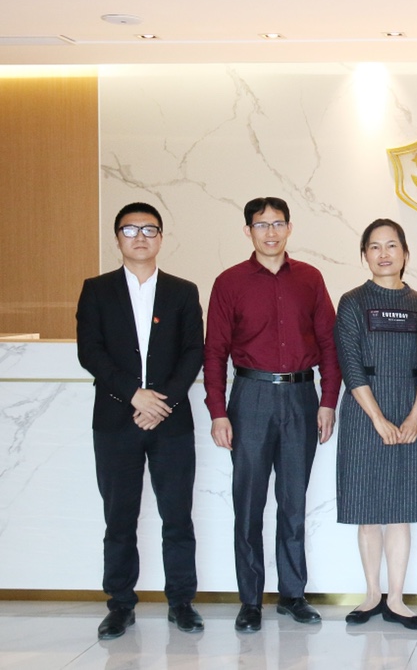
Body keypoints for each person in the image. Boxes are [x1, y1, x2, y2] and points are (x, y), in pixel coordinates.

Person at [203, 197, 341, 633]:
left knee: (293, 502)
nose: (271, 232)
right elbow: (214, 352)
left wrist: (328, 401)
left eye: (278, 223)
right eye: (261, 225)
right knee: (249, 503)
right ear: (248, 231)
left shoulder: (310, 279)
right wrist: (218, 411)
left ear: (289, 228)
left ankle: (293, 595)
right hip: (251, 398)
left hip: (301, 397)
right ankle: (250, 600)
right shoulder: (229, 282)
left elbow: (329, 344)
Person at [76, 202, 205, 640]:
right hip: (116, 420)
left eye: (149, 230)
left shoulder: (182, 291)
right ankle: (120, 604)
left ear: (161, 238)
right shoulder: (96, 290)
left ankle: (181, 602)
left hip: (170, 422)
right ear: (117, 238)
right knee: (119, 518)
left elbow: (193, 351)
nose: (140, 237)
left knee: (178, 517)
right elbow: (90, 351)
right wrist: (134, 394)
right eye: (130, 230)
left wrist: (160, 401)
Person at [334, 219, 417, 630]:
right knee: (367, 508)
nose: (384, 253)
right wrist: (377, 419)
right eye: (374, 246)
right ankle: (372, 593)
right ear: (364, 255)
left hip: (410, 409)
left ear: (405, 253)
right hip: (364, 412)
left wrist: (415, 415)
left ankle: (396, 598)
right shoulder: (352, 302)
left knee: (402, 508)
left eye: (392, 245)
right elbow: (351, 365)